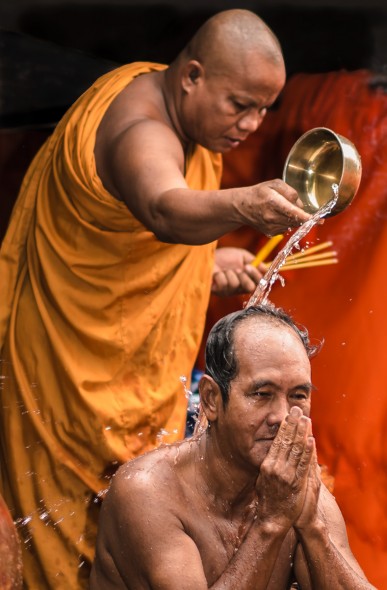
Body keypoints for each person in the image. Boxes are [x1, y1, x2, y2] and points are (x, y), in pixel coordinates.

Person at [0, 9, 310, 589]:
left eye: (265, 109)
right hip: (72, 377)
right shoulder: (140, 126)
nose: (251, 123)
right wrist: (245, 205)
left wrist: (205, 263)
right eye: (239, 103)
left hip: (137, 378)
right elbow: (164, 208)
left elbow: (141, 240)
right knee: (74, 532)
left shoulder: (186, 122)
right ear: (191, 75)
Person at [90, 305, 375, 590]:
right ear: (212, 399)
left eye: (298, 396)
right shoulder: (147, 493)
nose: (282, 416)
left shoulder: (298, 491)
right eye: (262, 394)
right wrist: (271, 523)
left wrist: (312, 528)